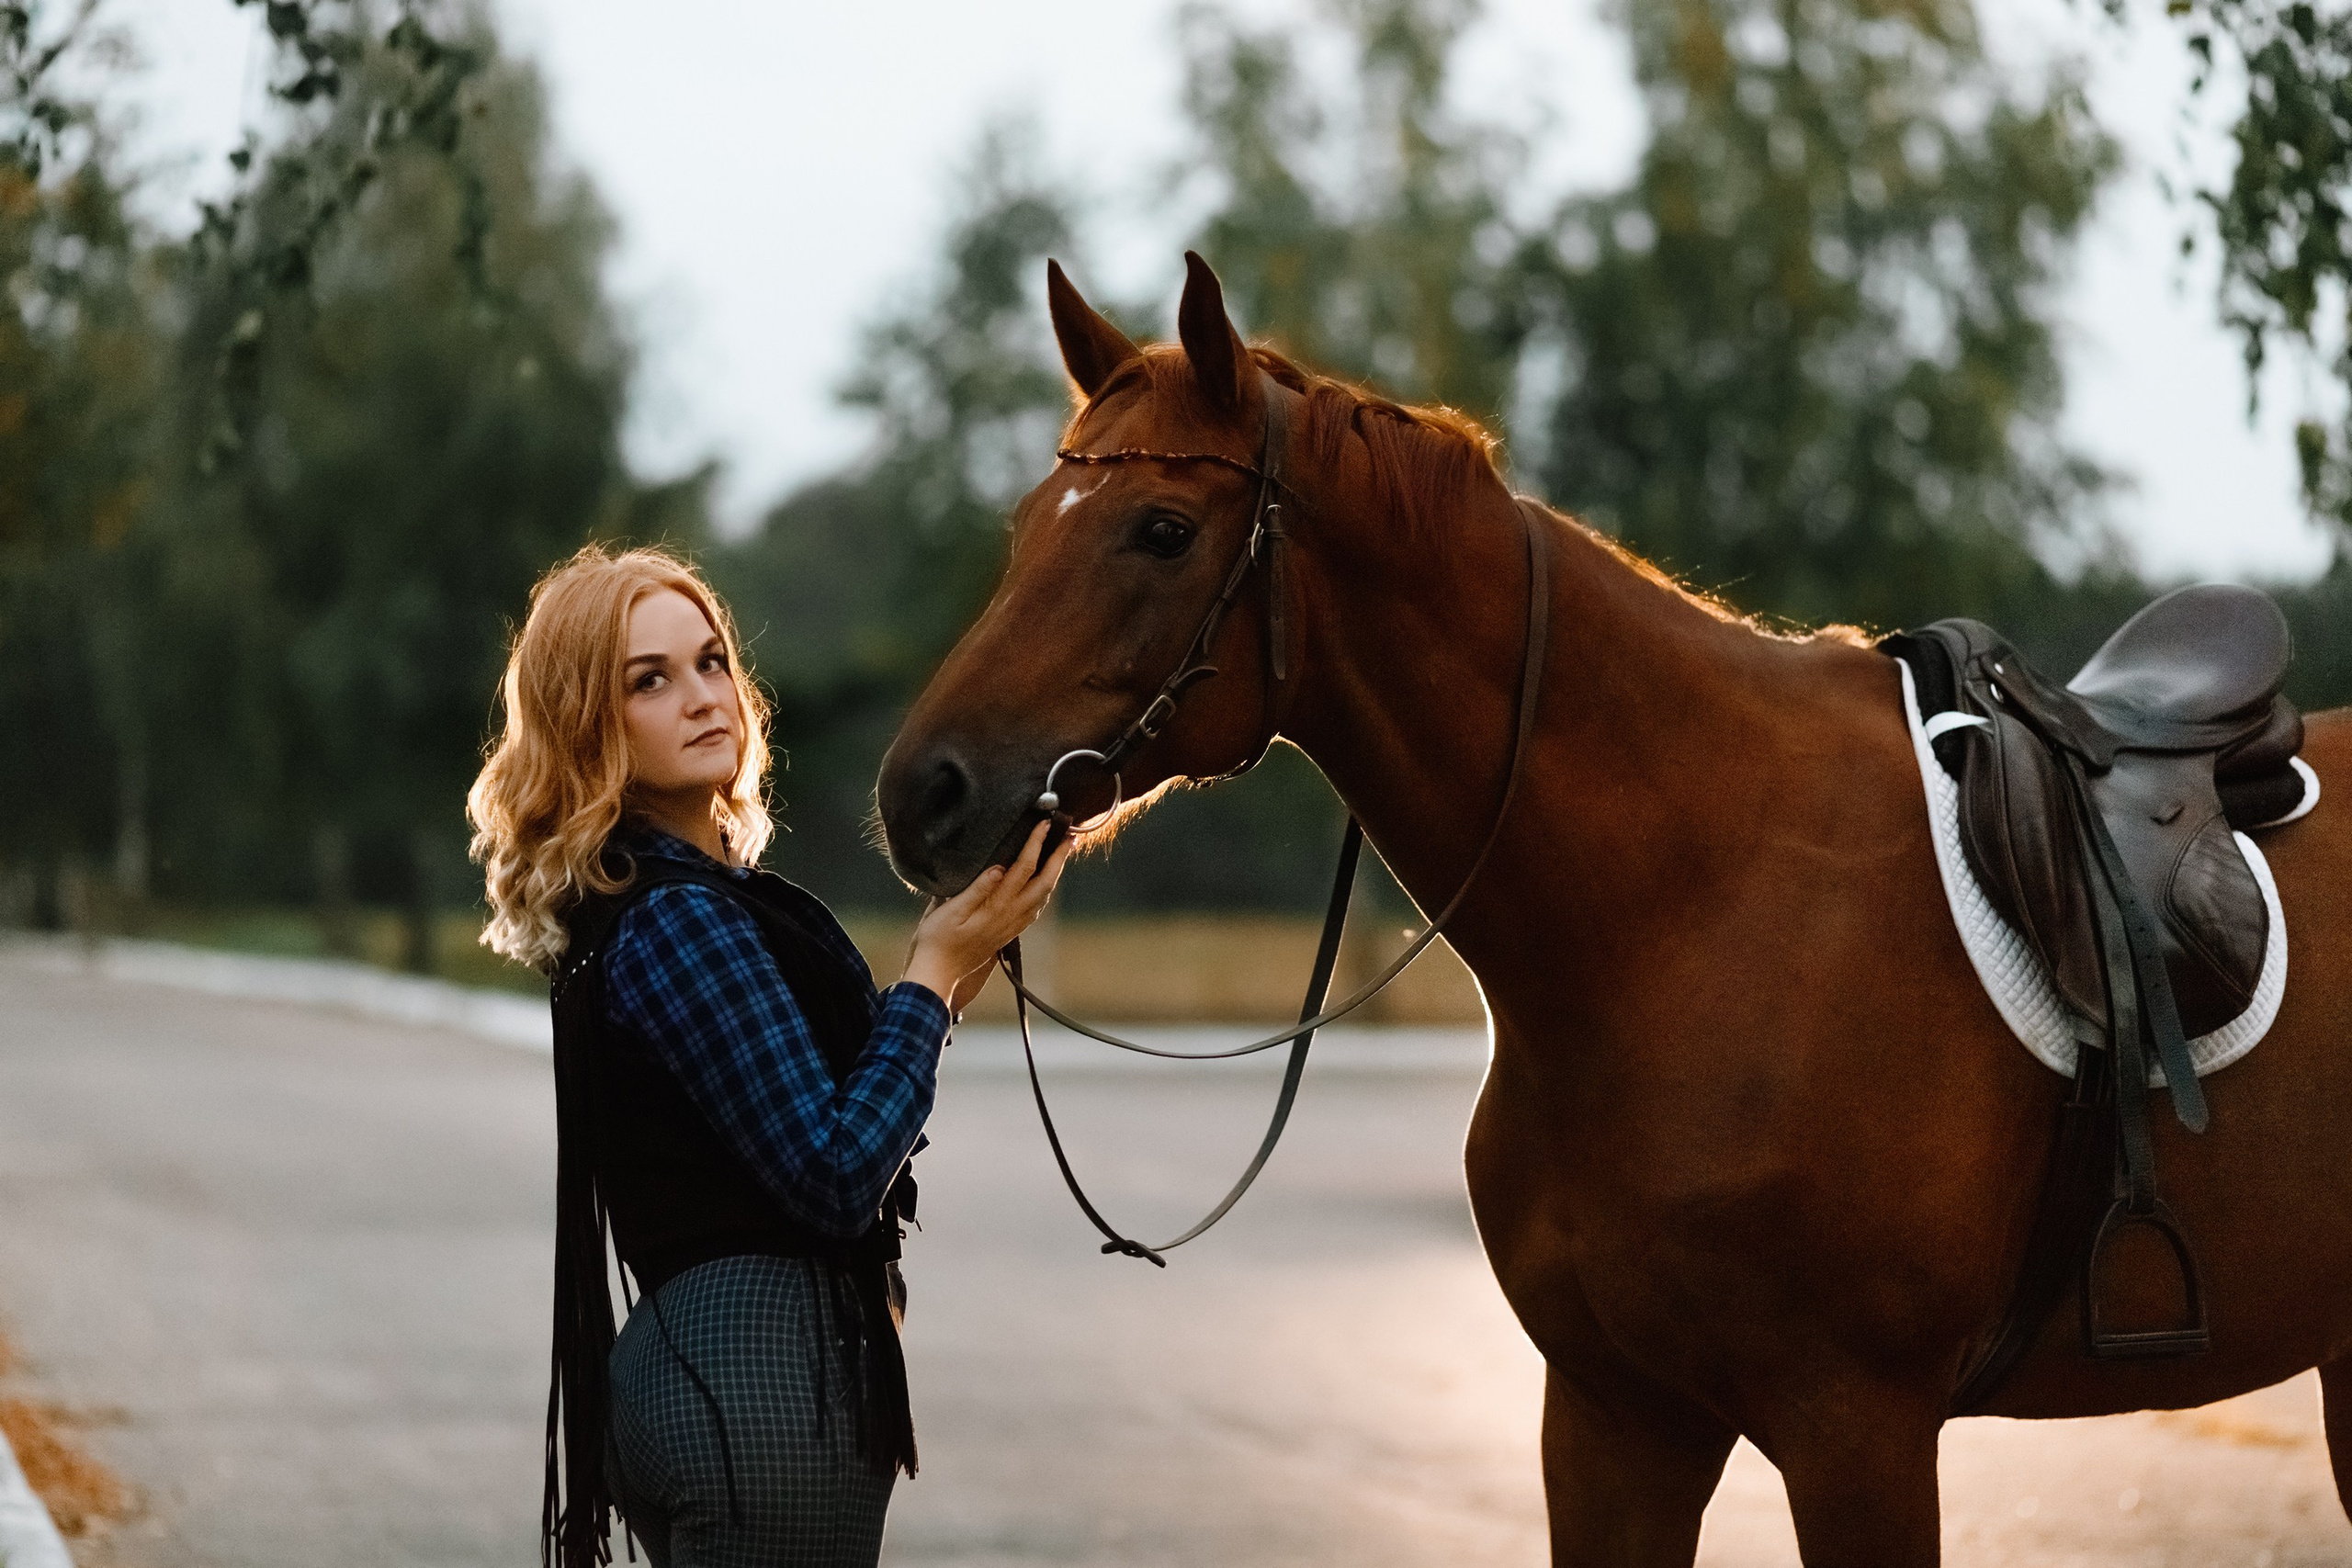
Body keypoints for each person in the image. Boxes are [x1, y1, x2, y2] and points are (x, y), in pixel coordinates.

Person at [466, 544, 1068, 1568]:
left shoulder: (657, 904)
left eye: (710, 662)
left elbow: (811, 1115)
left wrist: (952, 972)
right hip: (755, 1386)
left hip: (723, 1374)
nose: (703, 697)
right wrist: (926, 975)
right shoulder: (679, 921)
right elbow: (833, 1171)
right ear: (589, 725)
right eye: (648, 680)